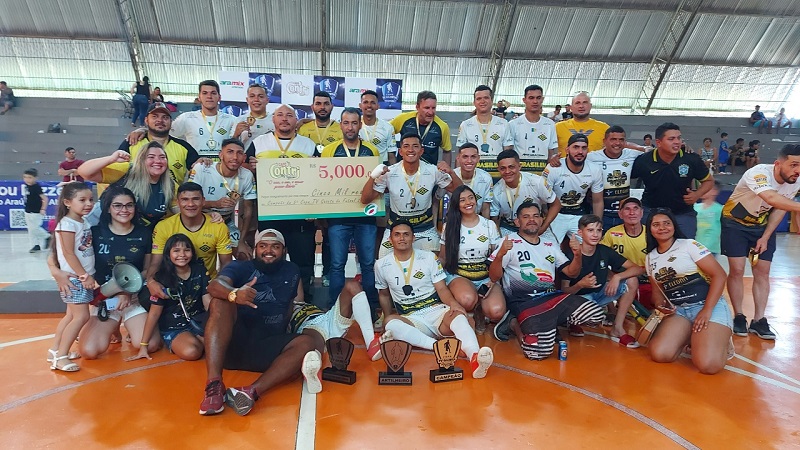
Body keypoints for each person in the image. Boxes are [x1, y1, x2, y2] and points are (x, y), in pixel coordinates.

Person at [200, 229, 320, 416]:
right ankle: (214, 384)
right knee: (220, 301)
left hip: (266, 346)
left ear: (284, 250)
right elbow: (214, 286)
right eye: (263, 246)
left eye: (275, 246)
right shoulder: (240, 267)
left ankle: (250, 392)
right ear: (255, 249)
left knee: (307, 343)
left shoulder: (292, 270)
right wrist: (234, 294)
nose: (268, 250)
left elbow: (291, 303)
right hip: (234, 345)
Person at [48, 186, 159, 360]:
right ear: (108, 208)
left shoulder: (144, 233)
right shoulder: (94, 231)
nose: (124, 210)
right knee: (89, 352)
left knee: (149, 344)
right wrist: (56, 272)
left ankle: (134, 326)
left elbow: (147, 269)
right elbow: (57, 253)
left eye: (129, 205)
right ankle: (111, 329)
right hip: (104, 302)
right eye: (118, 205)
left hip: (132, 299)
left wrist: (127, 291)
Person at [375, 221, 494, 378]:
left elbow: (442, 288)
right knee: (391, 322)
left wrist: (453, 304)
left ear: (413, 238)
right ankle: (439, 347)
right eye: (397, 235)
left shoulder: (429, 257)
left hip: (436, 311)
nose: (402, 238)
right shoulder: (381, 265)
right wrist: (386, 317)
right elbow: (383, 294)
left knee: (458, 316)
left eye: (406, 234)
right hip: (411, 319)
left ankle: (475, 357)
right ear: (390, 239)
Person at [489, 202, 604, 359]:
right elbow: (494, 277)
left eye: (536, 216)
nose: (532, 220)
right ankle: (513, 323)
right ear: (517, 222)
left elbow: (571, 272)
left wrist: (577, 255)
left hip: (551, 297)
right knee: (536, 354)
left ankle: (549, 324)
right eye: (526, 216)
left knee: (596, 314)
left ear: (542, 220)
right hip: (524, 302)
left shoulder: (550, 243)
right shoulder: (509, 242)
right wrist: (501, 255)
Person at [722, 144, 800, 340]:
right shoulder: (758, 173)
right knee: (738, 269)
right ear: (778, 164)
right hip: (735, 222)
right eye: (794, 165)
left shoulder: (795, 181)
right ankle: (739, 315)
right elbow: (772, 198)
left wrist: (765, 237)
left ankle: (759, 320)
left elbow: (780, 209)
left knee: (762, 271)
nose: (797, 171)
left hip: (761, 225)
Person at [644, 209, 732, 375]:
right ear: (650, 229)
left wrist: (706, 310)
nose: (662, 227)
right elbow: (657, 291)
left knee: (707, 365)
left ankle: (720, 340)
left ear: (674, 226)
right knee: (660, 354)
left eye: (666, 223)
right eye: (656, 225)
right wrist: (660, 305)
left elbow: (719, 275)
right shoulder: (650, 258)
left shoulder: (689, 245)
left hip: (707, 306)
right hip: (679, 312)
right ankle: (694, 336)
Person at [246, 104, 317, 295]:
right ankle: (269, 296)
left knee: (303, 261)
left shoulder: (308, 145)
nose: (284, 118)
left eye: (289, 115)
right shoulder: (259, 142)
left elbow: (318, 178)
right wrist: (250, 167)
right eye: (280, 115)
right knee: (268, 258)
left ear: (296, 121)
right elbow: (243, 170)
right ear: (273, 120)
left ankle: (304, 302)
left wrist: (315, 210)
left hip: (301, 214)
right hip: (271, 212)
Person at [361, 133, 461, 258]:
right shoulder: (389, 172)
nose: (410, 150)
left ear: (421, 151)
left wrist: (451, 172)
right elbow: (365, 199)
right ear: (400, 151)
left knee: (438, 262)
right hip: (396, 229)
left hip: (424, 228)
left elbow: (460, 192)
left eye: (415, 146)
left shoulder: (432, 171)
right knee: (383, 263)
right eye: (406, 146)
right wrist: (372, 177)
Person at [320, 108, 380, 310]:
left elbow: (378, 184)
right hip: (339, 216)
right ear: (340, 125)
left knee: (368, 264)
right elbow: (322, 182)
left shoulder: (371, 150)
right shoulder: (330, 151)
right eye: (346, 123)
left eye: (354, 123)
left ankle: (372, 306)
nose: (350, 127)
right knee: (337, 265)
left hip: (366, 215)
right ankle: (335, 308)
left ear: (360, 125)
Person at [560, 214, 644, 346]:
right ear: (580, 233)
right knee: (595, 314)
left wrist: (617, 277)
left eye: (599, 230)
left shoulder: (604, 250)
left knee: (631, 280)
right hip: (577, 299)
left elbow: (638, 269)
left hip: (599, 295)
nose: (595, 234)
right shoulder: (571, 255)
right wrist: (580, 285)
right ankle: (571, 322)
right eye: (590, 230)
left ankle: (617, 328)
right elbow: (563, 291)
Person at [130, 234, 209, 361]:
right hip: (174, 327)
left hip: (198, 321)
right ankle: (175, 340)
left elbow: (207, 302)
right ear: (168, 254)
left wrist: (214, 323)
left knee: (219, 346)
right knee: (192, 352)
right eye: (176, 251)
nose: (182, 254)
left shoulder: (200, 270)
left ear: (192, 253)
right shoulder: (161, 277)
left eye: (187, 250)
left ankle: (197, 339)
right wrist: (143, 346)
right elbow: (154, 314)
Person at [631, 122, 714, 238]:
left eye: (679, 138)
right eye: (671, 139)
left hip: (683, 213)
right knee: (648, 250)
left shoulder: (691, 159)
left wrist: (697, 194)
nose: (677, 142)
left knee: (685, 250)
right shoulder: (644, 161)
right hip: (651, 212)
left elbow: (709, 181)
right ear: (658, 142)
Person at [147, 182, 232, 293]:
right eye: (185, 199)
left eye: (196, 199)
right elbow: (155, 263)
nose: (190, 204)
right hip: (172, 284)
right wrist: (151, 281)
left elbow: (227, 264)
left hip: (207, 285)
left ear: (203, 201)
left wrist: (219, 286)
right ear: (178, 202)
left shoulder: (218, 227)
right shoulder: (164, 227)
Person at [440, 185, 504, 333]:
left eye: (471, 198)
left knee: (496, 312)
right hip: (460, 275)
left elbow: (496, 258)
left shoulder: (489, 225)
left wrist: (492, 281)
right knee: (466, 299)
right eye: (462, 200)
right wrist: (433, 265)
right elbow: (443, 257)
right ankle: (471, 311)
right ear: (457, 204)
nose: (468, 202)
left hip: (485, 277)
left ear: (476, 200)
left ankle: (480, 309)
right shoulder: (449, 226)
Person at [47, 182, 96, 372]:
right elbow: (68, 253)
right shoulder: (67, 224)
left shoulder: (83, 221)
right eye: (82, 200)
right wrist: (84, 276)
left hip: (81, 276)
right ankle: (61, 357)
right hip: (76, 278)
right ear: (67, 202)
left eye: (91, 199)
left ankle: (54, 350)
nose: (88, 204)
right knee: (81, 316)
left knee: (70, 316)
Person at [77, 141, 176, 231]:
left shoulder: (171, 185)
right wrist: (111, 159)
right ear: (141, 160)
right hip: (101, 223)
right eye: (151, 157)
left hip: (136, 235)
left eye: (162, 157)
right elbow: (84, 171)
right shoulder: (127, 170)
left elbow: (181, 212)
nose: (158, 161)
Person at [187, 138, 256, 260]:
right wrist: (215, 204)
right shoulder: (202, 168)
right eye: (230, 152)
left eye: (239, 153)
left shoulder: (246, 175)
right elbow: (188, 202)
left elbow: (248, 210)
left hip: (226, 221)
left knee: (245, 257)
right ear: (220, 155)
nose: (235, 157)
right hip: (200, 219)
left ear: (244, 157)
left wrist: (241, 241)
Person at [289, 279, 384, 361]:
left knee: (352, 286)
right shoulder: (280, 313)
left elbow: (295, 278)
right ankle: (314, 365)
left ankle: (371, 343)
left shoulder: (298, 301)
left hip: (326, 318)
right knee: (311, 342)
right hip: (308, 326)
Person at [117, 102, 199, 185]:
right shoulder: (132, 142)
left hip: (172, 197)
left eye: (165, 117)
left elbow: (198, 169)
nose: (160, 120)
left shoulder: (183, 147)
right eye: (154, 116)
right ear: (146, 120)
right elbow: (117, 172)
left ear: (171, 122)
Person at [541, 134, 604, 242]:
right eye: (576, 147)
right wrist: (546, 218)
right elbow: (542, 197)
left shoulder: (595, 169)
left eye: (584, 148)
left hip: (579, 213)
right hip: (556, 214)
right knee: (548, 248)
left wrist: (597, 225)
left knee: (589, 245)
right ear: (567, 149)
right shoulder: (554, 168)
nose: (580, 151)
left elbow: (597, 201)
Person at [490, 149, 560, 236]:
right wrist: (499, 239)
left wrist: (543, 228)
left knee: (551, 249)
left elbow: (556, 204)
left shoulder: (537, 182)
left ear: (519, 166)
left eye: (511, 167)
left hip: (535, 226)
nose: (507, 171)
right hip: (509, 227)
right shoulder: (496, 190)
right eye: (503, 168)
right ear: (498, 169)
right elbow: (495, 219)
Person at [600, 197, 653, 309]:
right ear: (620, 214)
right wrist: (611, 276)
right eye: (627, 209)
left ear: (642, 212)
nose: (632, 213)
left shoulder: (652, 234)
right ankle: (613, 313)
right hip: (622, 279)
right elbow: (600, 258)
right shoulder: (612, 233)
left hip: (647, 278)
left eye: (635, 208)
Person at [586, 126, 643, 230]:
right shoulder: (591, 158)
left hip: (624, 215)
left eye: (621, 139)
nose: (617, 143)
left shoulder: (632, 155)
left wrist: (642, 148)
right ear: (604, 141)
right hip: (601, 214)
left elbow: (653, 153)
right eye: (613, 139)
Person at [504, 84, 559, 173]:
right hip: (521, 175)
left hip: (541, 176)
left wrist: (553, 159)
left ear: (542, 99)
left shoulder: (550, 124)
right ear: (524, 100)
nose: (535, 101)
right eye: (531, 98)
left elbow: (550, 153)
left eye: (538, 98)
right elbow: (509, 153)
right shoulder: (513, 124)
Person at [390, 91, 452, 165]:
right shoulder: (403, 119)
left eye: (433, 108)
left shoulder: (442, 126)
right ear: (417, 107)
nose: (431, 112)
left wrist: (446, 172)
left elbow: (447, 151)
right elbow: (386, 132)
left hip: (429, 173)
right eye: (427, 108)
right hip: (404, 170)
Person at [456, 85, 509, 171]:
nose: (483, 101)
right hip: (474, 176)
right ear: (474, 102)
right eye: (479, 98)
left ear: (491, 101)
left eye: (486, 98)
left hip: (498, 175)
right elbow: (460, 155)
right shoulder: (465, 125)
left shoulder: (503, 124)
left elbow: (508, 153)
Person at [443, 143, 494, 218]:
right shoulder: (449, 176)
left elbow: (485, 208)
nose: (469, 161)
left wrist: (486, 228)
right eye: (465, 157)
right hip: (455, 218)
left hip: (477, 217)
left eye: (473, 157)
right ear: (458, 158)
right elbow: (438, 199)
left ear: (478, 158)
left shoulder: (486, 178)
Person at [555, 92, 609, 156]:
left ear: (590, 106)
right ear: (571, 107)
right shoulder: (558, 127)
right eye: (577, 103)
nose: (581, 106)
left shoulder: (604, 128)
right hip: (565, 165)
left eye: (585, 102)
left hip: (595, 165)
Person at [359, 90, 397, 165]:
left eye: (373, 102)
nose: (369, 105)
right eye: (365, 102)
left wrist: (394, 175)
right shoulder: (353, 125)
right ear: (360, 106)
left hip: (381, 167)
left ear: (378, 106)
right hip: (359, 167)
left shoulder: (387, 127)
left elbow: (391, 155)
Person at [233, 84, 274, 151]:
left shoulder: (275, 120)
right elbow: (231, 145)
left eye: (260, 96)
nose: (256, 99)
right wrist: (236, 134)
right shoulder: (239, 120)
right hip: (246, 160)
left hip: (268, 160)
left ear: (267, 100)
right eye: (252, 96)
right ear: (247, 100)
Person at [23, 168, 50, 253]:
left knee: (34, 228)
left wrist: (43, 209)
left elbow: (45, 199)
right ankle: (35, 245)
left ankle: (47, 236)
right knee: (30, 230)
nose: (27, 179)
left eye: (30, 177)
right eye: (25, 177)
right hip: (28, 211)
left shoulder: (36, 187)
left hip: (36, 211)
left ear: (35, 178)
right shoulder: (27, 186)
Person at [694, 182, 722, 256]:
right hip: (695, 246)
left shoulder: (720, 209)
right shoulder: (695, 207)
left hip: (710, 248)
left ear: (714, 191)